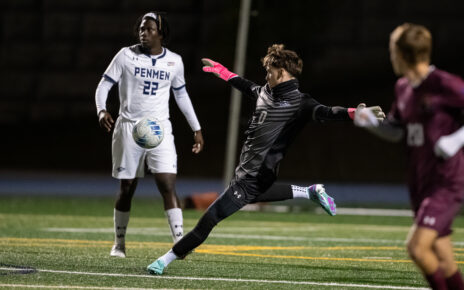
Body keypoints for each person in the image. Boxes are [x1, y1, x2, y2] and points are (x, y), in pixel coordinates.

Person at [147, 44, 385, 275]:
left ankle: (164, 260)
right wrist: (221, 71)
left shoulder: (299, 102)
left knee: (210, 218)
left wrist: (356, 113)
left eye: (269, 70)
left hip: (256, 175)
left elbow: (327, 112)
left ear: (281, 72)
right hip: (248, 173)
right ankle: (311, 192)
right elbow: (243, 84)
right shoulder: (264, 92)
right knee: (257, 196)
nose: (266, 75)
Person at [354, 23, 464, 290]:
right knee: (443, 256)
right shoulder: (403, 87)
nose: (390, 56)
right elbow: (396, 130)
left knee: (417, 248)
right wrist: (369, 122)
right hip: (420, 180)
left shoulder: (444, 83)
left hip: (446, 181)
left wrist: (455, 139)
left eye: (392, 50)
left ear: (402, 54)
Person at [95, 12, 204, 258]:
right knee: (127, 187)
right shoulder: (126, 55)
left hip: (160, 130)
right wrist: (102, 110)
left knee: (167, 184)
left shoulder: (174, 61)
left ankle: (180, 244)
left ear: (161, 34)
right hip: (129, 128)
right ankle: (119, 244)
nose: (143, 33)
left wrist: (196, 128)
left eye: (149, 29)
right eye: (141, 29)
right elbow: (104, 85)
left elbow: (182, 96)